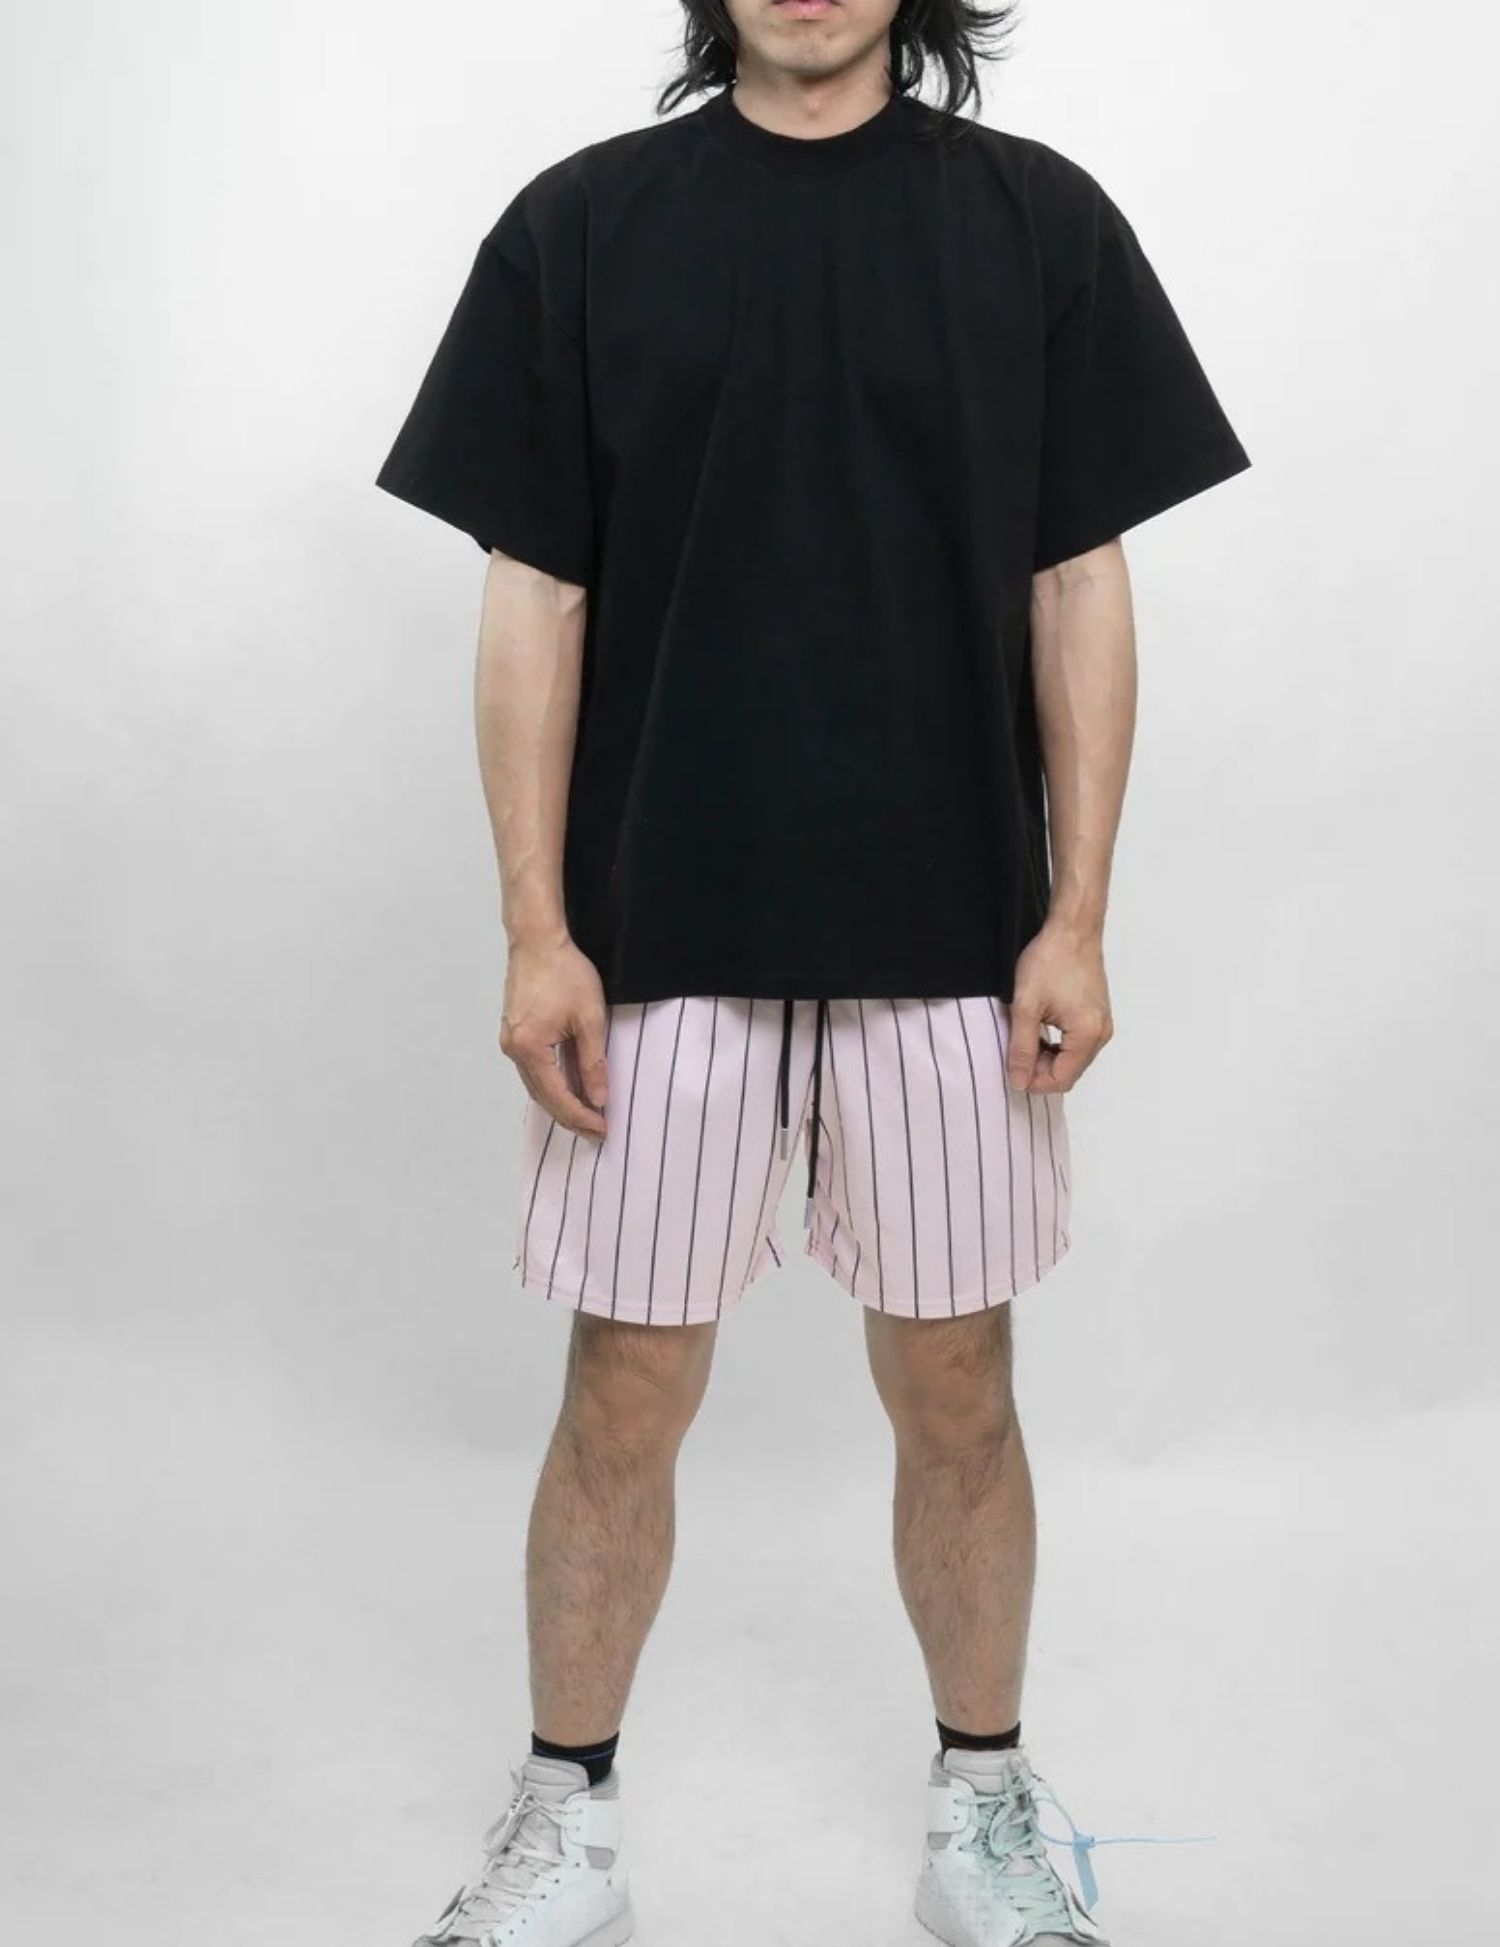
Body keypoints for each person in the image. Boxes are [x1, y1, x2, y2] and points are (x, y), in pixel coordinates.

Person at [373, 2, 1249, 1941]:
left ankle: (983, 1804)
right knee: (623, 1385)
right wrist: (536, 927)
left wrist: (1079, 911)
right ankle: (566, 1824)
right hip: (657, 923)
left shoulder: (1038, 223)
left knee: (960, 1384)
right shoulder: (582, 227)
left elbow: (1078, 583)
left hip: (951, 928)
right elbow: (536, 595)